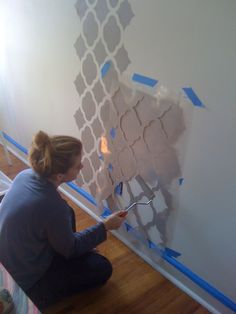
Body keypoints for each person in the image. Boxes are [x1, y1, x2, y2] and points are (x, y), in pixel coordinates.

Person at [0, 130, 126, 310]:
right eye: (77, 166)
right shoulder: (52, 205)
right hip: (24, 282)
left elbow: (53, 214)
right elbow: (71, 248)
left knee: (67, 211)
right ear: (60, 176)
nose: (81, 167)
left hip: (11, 257)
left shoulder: (25, 175)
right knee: (102, 267)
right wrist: (105, 227)